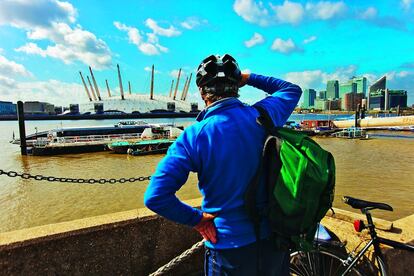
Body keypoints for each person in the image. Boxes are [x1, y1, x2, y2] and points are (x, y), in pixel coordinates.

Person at [144, 54, 302, 275]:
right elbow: (292, 90)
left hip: (228, 248)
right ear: (237, 86)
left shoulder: (193, 136)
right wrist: (250, 77)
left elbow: (156, 197)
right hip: (273, 243)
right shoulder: (264, 115)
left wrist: (198, 220)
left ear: (201, 91)